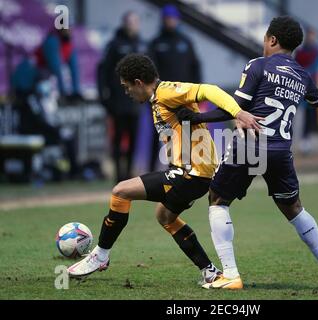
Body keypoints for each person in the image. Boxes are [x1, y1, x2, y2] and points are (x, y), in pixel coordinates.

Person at [176, 16, 318, 290]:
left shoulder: (258, 65)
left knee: (218, 200)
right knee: (294, 209)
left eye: (264, 39)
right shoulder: (302, 74)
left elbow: (234, 109)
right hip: (281, 150)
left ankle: (231, 275)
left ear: (272, 40)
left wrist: (196, 117)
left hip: (250, 145)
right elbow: (316, 101)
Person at [67, 54, 262, 285]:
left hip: (191, 173)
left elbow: (210, 90)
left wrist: (238, 113)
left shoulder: (167, 91)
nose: (127, 92)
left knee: (121, 191)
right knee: (165, 216)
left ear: (138, 82)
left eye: (126, 86)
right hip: (196, 174)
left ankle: (100, 255)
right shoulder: (157, 99)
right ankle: (210, 272)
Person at [147, 4, 201, 172]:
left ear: (177, 20)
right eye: (167, 19)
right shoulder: (155, 43)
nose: (170, 21)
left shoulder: (186, 42)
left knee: (185, 132)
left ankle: (184, 168)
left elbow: (195, 68)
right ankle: (153, 169)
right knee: (160, 133)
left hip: (183, 97)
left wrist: (197, 95)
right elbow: (149, 71)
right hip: (161, 97)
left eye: (172, 18)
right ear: (163, 20)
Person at [98, 12, 146, 182]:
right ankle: (118, 174)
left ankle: (129, 173)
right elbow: (102, 71)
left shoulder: (142, 45)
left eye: (135, 22)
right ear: (124, 23)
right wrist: (103, 95)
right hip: (118, 101)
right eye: (129, 22)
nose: (132, 25)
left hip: (136, 102)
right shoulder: (114, 45)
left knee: (133, 139)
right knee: (118, 138)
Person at [295, 27, 318, 155]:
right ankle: (298, 140)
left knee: (310, 114)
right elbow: (296, 65)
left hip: (311, 86)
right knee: (295, 113)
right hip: (300, 86)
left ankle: (307, 140)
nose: (312, 38)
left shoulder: (317, 51)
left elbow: (315, 66)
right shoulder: (300, 51)